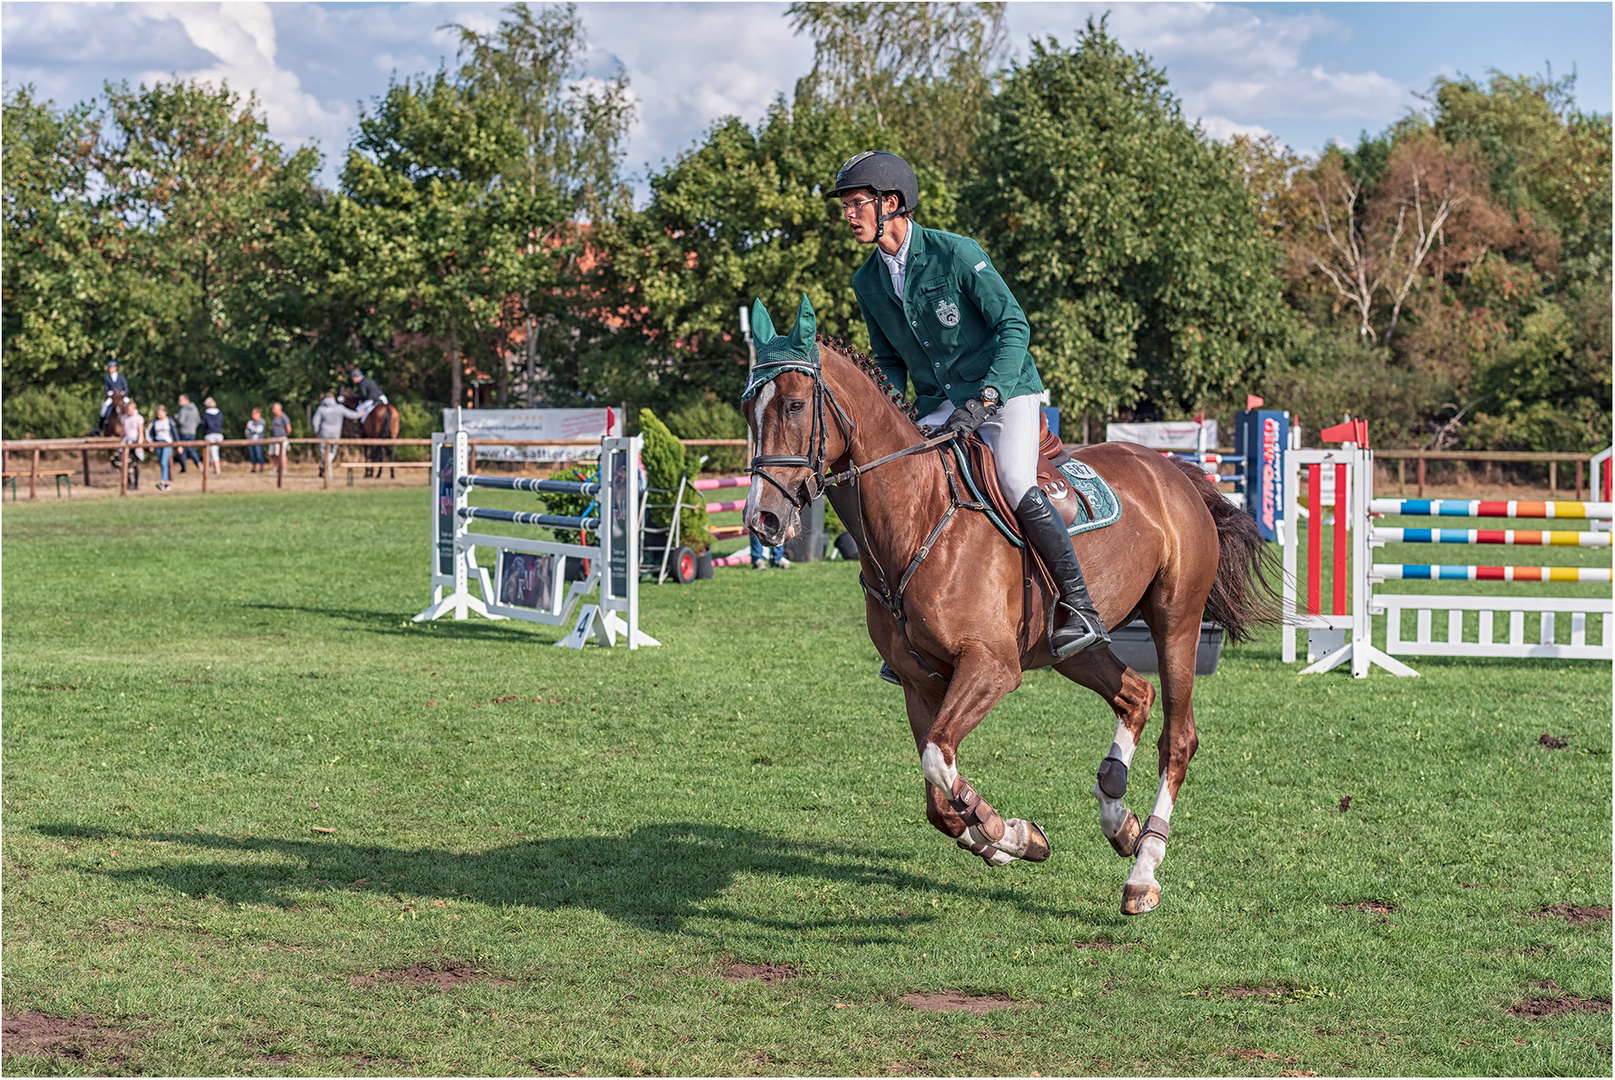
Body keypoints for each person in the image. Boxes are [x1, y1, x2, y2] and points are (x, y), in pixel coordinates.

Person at [833, 150, 1109, 683]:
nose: (849, 214)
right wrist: (894, 410)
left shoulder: (956, 253)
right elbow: (888, 359)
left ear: (891, 204)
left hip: (1004, 392)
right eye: (846, 205)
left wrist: (986, 397)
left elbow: (1014, 325)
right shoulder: (867, 282)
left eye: (857, 203)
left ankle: (1078, 606)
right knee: (901, 483)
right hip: (939, 402)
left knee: (1013, 480)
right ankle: (912, 628)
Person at [312, 392, 361, 477]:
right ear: (333, 399)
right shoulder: (340, 408)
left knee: (324, 453)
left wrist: (316, 431)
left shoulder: (321, 409)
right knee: (332, 452)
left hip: (323, 433)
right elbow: (352, 415)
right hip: (336, 434)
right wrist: (361, 414)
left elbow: (314, 422)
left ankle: (326, 468)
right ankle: (328, 473)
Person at [147, 403, 177, 491]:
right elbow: (149, 433)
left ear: (165, 412)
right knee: (162, 463)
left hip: (167, 443)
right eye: (158, 413)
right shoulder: (155, 422)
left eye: (161, 413)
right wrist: (151, 443)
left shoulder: (169, 421)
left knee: (164, 462)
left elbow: (175, 433)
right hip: (158, 443)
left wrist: (178, 445)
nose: (159, 415)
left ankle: (163, 481)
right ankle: (167, 483)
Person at [175, 393, 202, 473]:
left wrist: (177, 417)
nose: (179, 402)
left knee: (182, 449)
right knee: (191, 449)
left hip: (184, 432)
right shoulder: (194, 408)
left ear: (186, 400)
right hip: (192, 432)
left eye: (180, 400)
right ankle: (198, 463)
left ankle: (183, 468)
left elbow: (181, 421)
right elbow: (198, 420)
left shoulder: (183, 409)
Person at [198, 397, 225, 474]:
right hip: (219, 434)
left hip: (210, 434)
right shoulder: (219, 413)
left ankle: (217, 468)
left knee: (213, 452)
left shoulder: (206, 414)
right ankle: (210, 468)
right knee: (213, 451)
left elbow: (203, 424)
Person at [267, 401, 291, 471]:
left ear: (279, 408)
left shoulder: (284, 417)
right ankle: (275, 468)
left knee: (282, 454)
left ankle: (284, 468)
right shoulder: (273, 417)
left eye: (274, 408)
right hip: (273, 438)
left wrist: (284, 436)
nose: (273, 410)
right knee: (275, 454)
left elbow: (288, 428)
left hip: (281, 438)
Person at [244, 407, 267, 472]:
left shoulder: (262, 422)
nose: (253, 415)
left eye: (254, 414)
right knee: (252, 455)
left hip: (259, 441)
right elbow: (246, 432)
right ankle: (254, 468)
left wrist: (250, 428)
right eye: (252, 414)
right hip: (251, 441)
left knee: (259, 455)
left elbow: (258, 431)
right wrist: (251, 430)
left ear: (259, 414)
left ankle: (261, 468)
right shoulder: (250, 422)